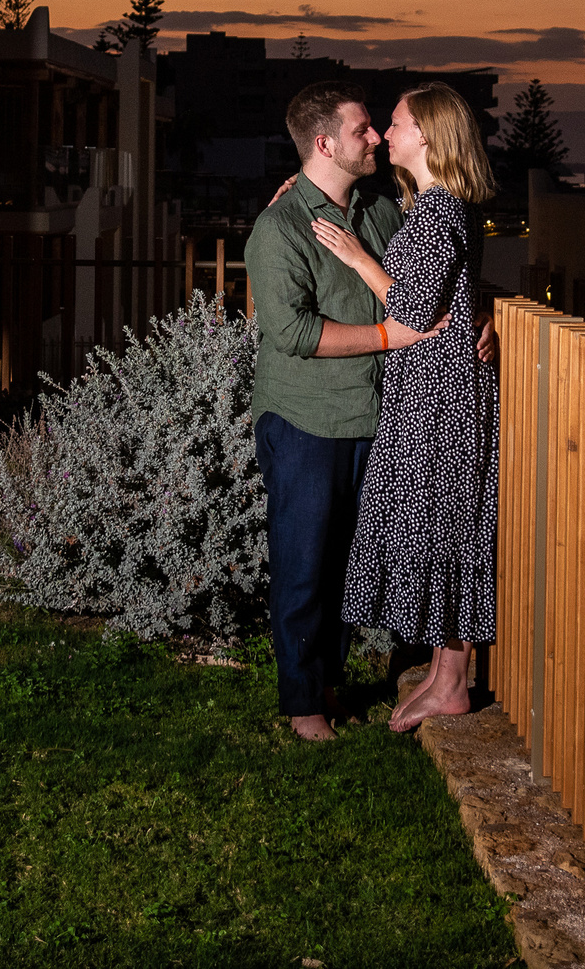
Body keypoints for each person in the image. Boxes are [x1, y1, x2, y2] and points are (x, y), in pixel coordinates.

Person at [243, 81, 444, 742]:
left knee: (348, 563)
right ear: (325, 142)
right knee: (303, 562)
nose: (378, 137)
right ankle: (304, 703)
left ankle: (329, 680)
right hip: (305, 421)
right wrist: (391, 337)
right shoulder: (279, 229)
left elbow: (427, 283)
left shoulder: (382, 212)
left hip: (370, 417)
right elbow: (293, 333)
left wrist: (482, 315)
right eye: (363, 129)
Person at [312, 82, 499, 732]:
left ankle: (452, 681)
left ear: (429, 135)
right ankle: (447, 677)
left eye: (396, 124)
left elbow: (414, 308)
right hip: (430, 394)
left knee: (448, 531)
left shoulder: (442, 210)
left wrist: (358, 258)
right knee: (444, 529)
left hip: (442, 403)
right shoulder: (431, 208)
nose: (387, 134)